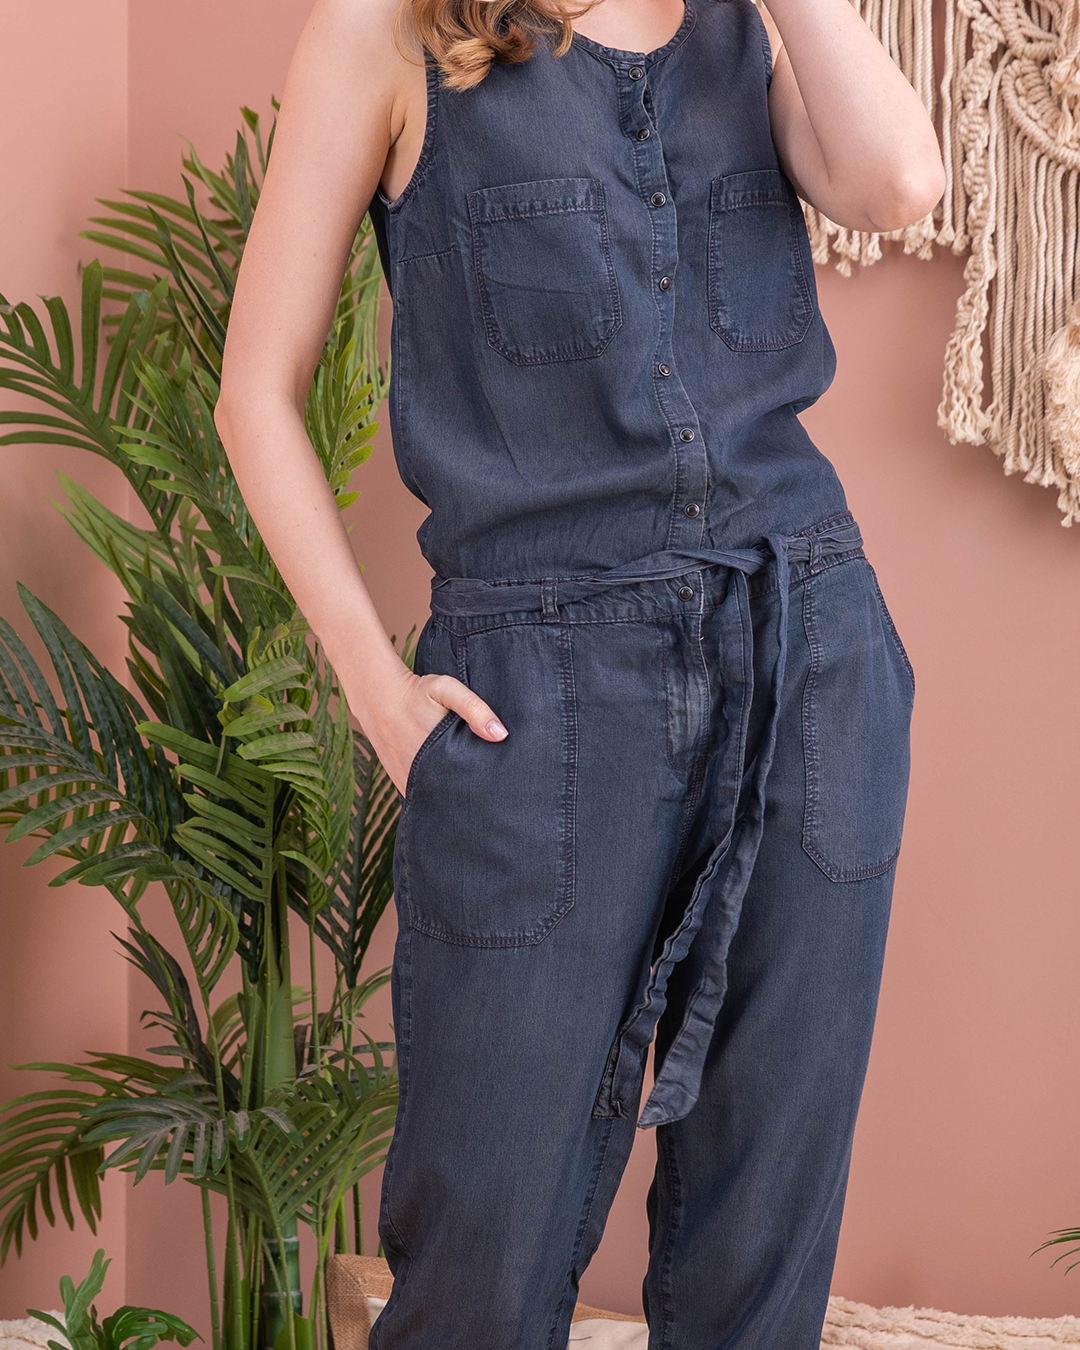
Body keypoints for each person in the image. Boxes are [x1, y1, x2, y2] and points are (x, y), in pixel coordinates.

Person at [214, 0, 943, 1341]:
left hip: (810, 653)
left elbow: (898, 181)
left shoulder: (746, 28)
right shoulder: (381, 34)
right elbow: (254, 388)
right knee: (481, 1259)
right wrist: (378, 690)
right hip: (538, 696)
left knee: (762, 1251)